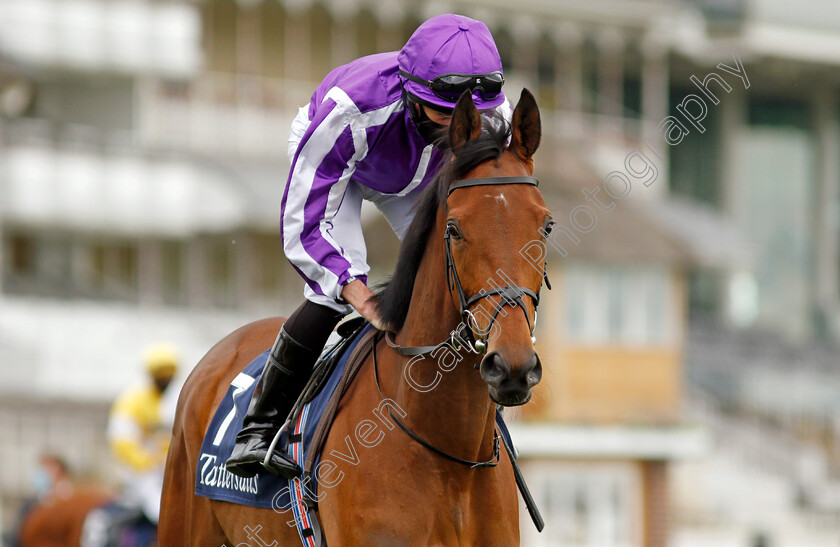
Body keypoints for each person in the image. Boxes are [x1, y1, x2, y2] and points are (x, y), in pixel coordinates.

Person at [226, 13, 510, 479]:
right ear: (415, 97)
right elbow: (303, 227)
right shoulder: (351, 109)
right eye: (446, 113)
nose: (459, 125)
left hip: (420, 175)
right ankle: (258, 427)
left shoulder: (494, 115)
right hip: (346, 166)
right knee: (335, 282)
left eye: (470, 117)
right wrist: (360, 295)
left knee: (452, 267)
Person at [106, 343, 178, 524]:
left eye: (170, 376)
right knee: (160, 510)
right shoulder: (132, 401)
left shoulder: (172, 401)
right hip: (140, 473)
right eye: (162, 377)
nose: (166, 381)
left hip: (166, 469)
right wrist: (149, 462)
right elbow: (121, 441)